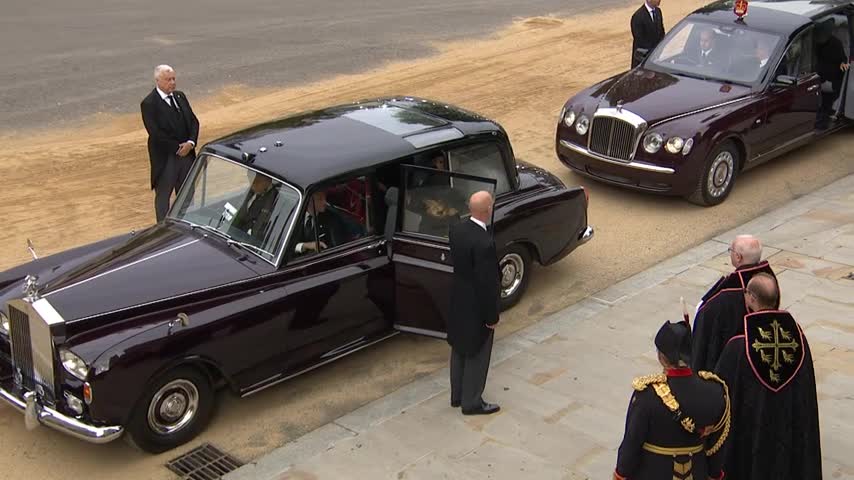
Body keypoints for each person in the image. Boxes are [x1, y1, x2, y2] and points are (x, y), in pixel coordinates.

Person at [714, 273, 822, 479]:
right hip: (789, 431)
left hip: (751, 437)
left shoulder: (738, 347)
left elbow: (718, 396)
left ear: (752, 298)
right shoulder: (798, 339)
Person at [614, 321, 730, 480]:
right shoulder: (716, 391)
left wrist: (620, 474)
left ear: (661, 357)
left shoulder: (647, 395)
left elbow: (631, 446)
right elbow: (716, 448)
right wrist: (714, 475)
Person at [447, 191, 501, 415]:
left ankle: (458, 395)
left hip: (458, 300)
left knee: (459, 348)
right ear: (488, 211)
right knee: (477, 355)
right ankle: (472, 402)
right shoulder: (484, 243)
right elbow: (487, 284)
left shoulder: (457, 229)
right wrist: (492, 317)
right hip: (477, 307)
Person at [691, 234, 777, 371]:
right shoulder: (769, 280)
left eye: (731, 250)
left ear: (738, 257)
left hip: (733, 360)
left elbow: (705, 320)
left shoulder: (727, 293)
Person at [141, 65, 200, 222]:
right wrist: (177, 148)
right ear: (158, 80)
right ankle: (163, 229)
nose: (172, 83)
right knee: (163, 197)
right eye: (168, 80)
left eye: (174, 79)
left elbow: (193, 122)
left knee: (187, 194)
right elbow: (155, 133)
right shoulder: (149, 103)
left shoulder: (180, 97)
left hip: (186, 156)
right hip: (166, 159)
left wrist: (190, 143)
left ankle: (186, 224)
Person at [294, 189, 364, 255]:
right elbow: (287, 245)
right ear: (308, 201)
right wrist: (303, 246)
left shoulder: (332, 219)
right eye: (320, 199)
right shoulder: (295, 215)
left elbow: (336, 248)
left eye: (325, 198)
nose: (325, 202)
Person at [815, 20, 850, 130]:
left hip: (828, 79)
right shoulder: (812, 41)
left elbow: (842, 62)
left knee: (825, 104)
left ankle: (821, 125)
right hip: (818, 77)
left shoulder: (835, 44)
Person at [231, 174, 279, 244]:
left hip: (249, 242)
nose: (252, 184)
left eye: (257, 182)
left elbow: (260, 226)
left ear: (267, 182)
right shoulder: (251, 191)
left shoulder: (273, 199)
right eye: (252, 181)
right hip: (234, 234)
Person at [630, 0, 665, 68]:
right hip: (642, 59)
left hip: (656, 57)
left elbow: (661, 32)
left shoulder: (658, 12)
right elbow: (639, 40)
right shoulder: (638, 16)